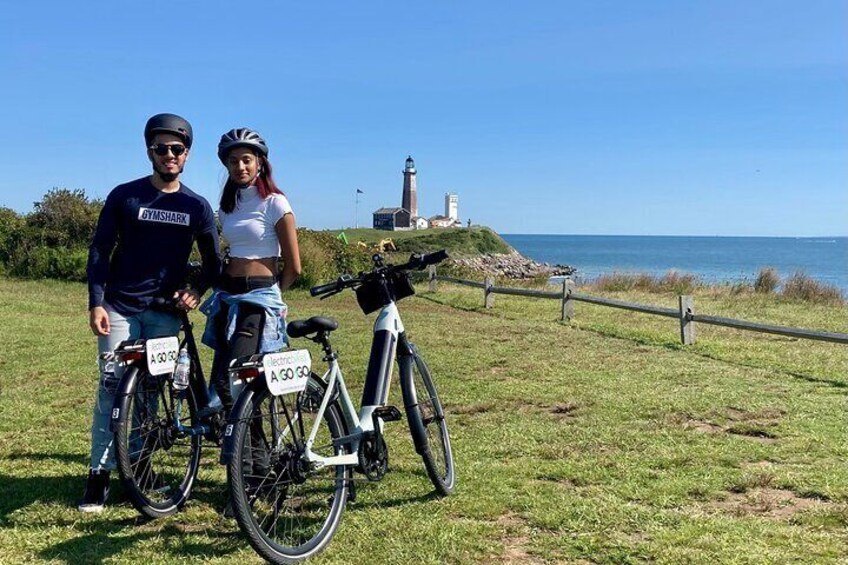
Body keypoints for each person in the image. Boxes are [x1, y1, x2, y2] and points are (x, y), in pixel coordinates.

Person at [80, 113, 222, 512]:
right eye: (161, 149)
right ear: (150, 152)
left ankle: (138, 469)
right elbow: (99, 251)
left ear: (187, 154)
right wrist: (96, 300)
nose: (169, 155)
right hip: (120, 308)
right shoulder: (125, 196)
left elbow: (214, 262)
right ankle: (99, 476)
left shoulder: (197, 205)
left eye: (177, 149)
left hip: (164, 315)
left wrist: (196, 290)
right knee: (111, 391)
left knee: (147, 397)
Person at [201, 127, 301, 417]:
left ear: (260, 162)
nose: (240, 166)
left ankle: (251, 454)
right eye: (233, 161)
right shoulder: (228, 206)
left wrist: (272, 293)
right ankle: (236, 442)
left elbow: (294, 266)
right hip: (228, 294)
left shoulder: (275, 203)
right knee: (222, 376)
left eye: (246, 159)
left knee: (235, 376)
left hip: (258, 297)